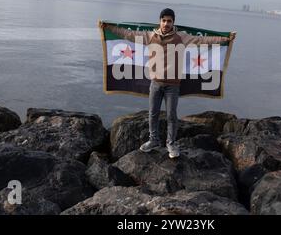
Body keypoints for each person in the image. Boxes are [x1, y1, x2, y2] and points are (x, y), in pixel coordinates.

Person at [100, 8, 235, 159]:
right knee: (153, 114)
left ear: (173, 22)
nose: (166, 23)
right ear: (160, 21)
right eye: (163, 20)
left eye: (169, 21)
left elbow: (203, 40)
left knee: (171, 115)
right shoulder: (150, 36)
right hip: (155, 83)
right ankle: (153, 140)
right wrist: (108, 27)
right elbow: (127, 34)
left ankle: (171, 143)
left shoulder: (181, 37)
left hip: (173, 86)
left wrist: (225, 39)